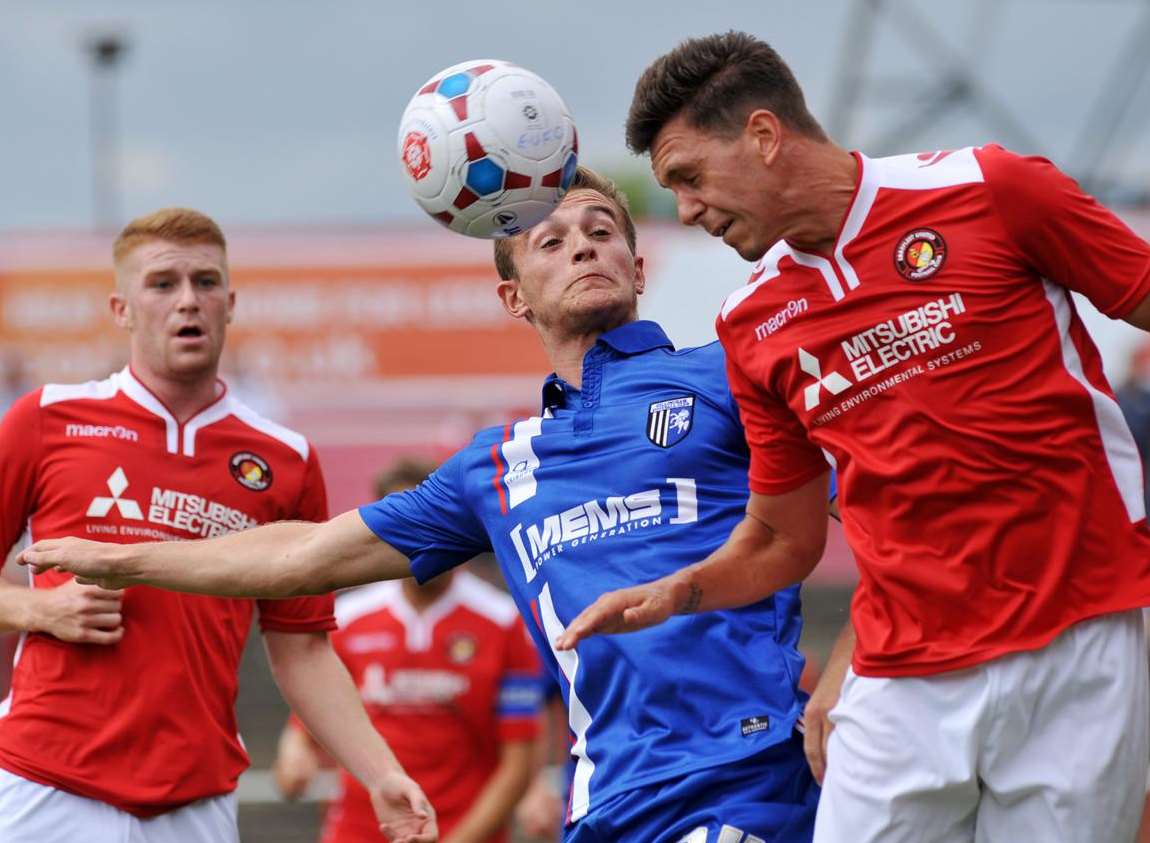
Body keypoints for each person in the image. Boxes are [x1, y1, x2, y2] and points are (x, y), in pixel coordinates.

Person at [23, 168, 845, 843]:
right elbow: (297, 556)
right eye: (549, 241)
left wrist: (843, 674)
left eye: (602, 230)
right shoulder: (497, 463)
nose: (583, 246)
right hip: (604, 805)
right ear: (514, 297)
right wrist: (123, 557)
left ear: (637, 268)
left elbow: (891, 511)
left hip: (748, 781)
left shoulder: (730, 376)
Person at [552, 31, 1150, 843]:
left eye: (689, 177)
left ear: (763, 136)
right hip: (903, 674)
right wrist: (680, 590)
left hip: (1082, 641)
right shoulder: (750, 322)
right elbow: (780, 536)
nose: (686, 211)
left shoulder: (991, 188)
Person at [0, 208, 435, 843]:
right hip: (46, 784)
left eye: (205, 283)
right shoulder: (46, 419)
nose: (187, 301)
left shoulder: (285, 459)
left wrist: (379, 772)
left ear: (230, 304)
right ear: (121, 308)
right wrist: (38, 612)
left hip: (195, 799)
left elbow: (302, 648)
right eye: (162, 284)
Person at [273, 457, 541, 843]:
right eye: (398, 524)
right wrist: (294, 750)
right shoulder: (349, 616)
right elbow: (312, 719)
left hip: (462, 830)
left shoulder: (502, 622)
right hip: (359, 830)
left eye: (427, 519)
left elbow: (518, 764)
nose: (413, 537)